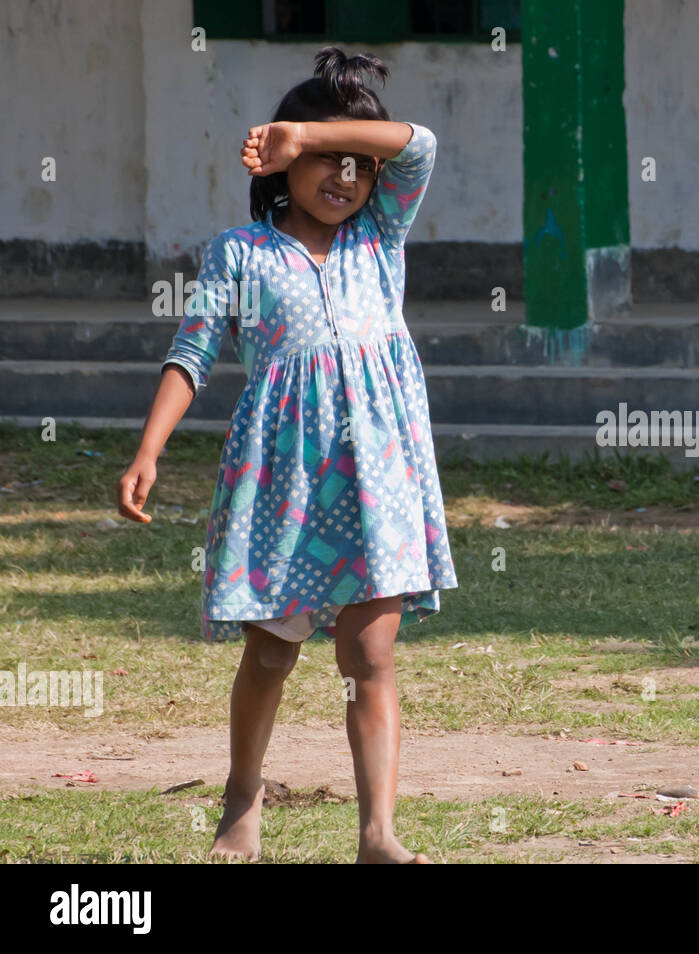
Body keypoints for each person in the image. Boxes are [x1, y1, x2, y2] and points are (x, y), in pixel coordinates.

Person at [116, 47, 457, 863]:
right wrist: (148, 451)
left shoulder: (382, 233)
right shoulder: (240, 252)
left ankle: (378, 832)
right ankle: (242, 793)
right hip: (286, 480)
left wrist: (309, 128)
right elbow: (193, 352)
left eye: (358, 167)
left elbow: (420, 145)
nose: (344, 179)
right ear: (283, 164)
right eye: (324, 162)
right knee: (270, 652)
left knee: (370, 651)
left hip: (378, 476)